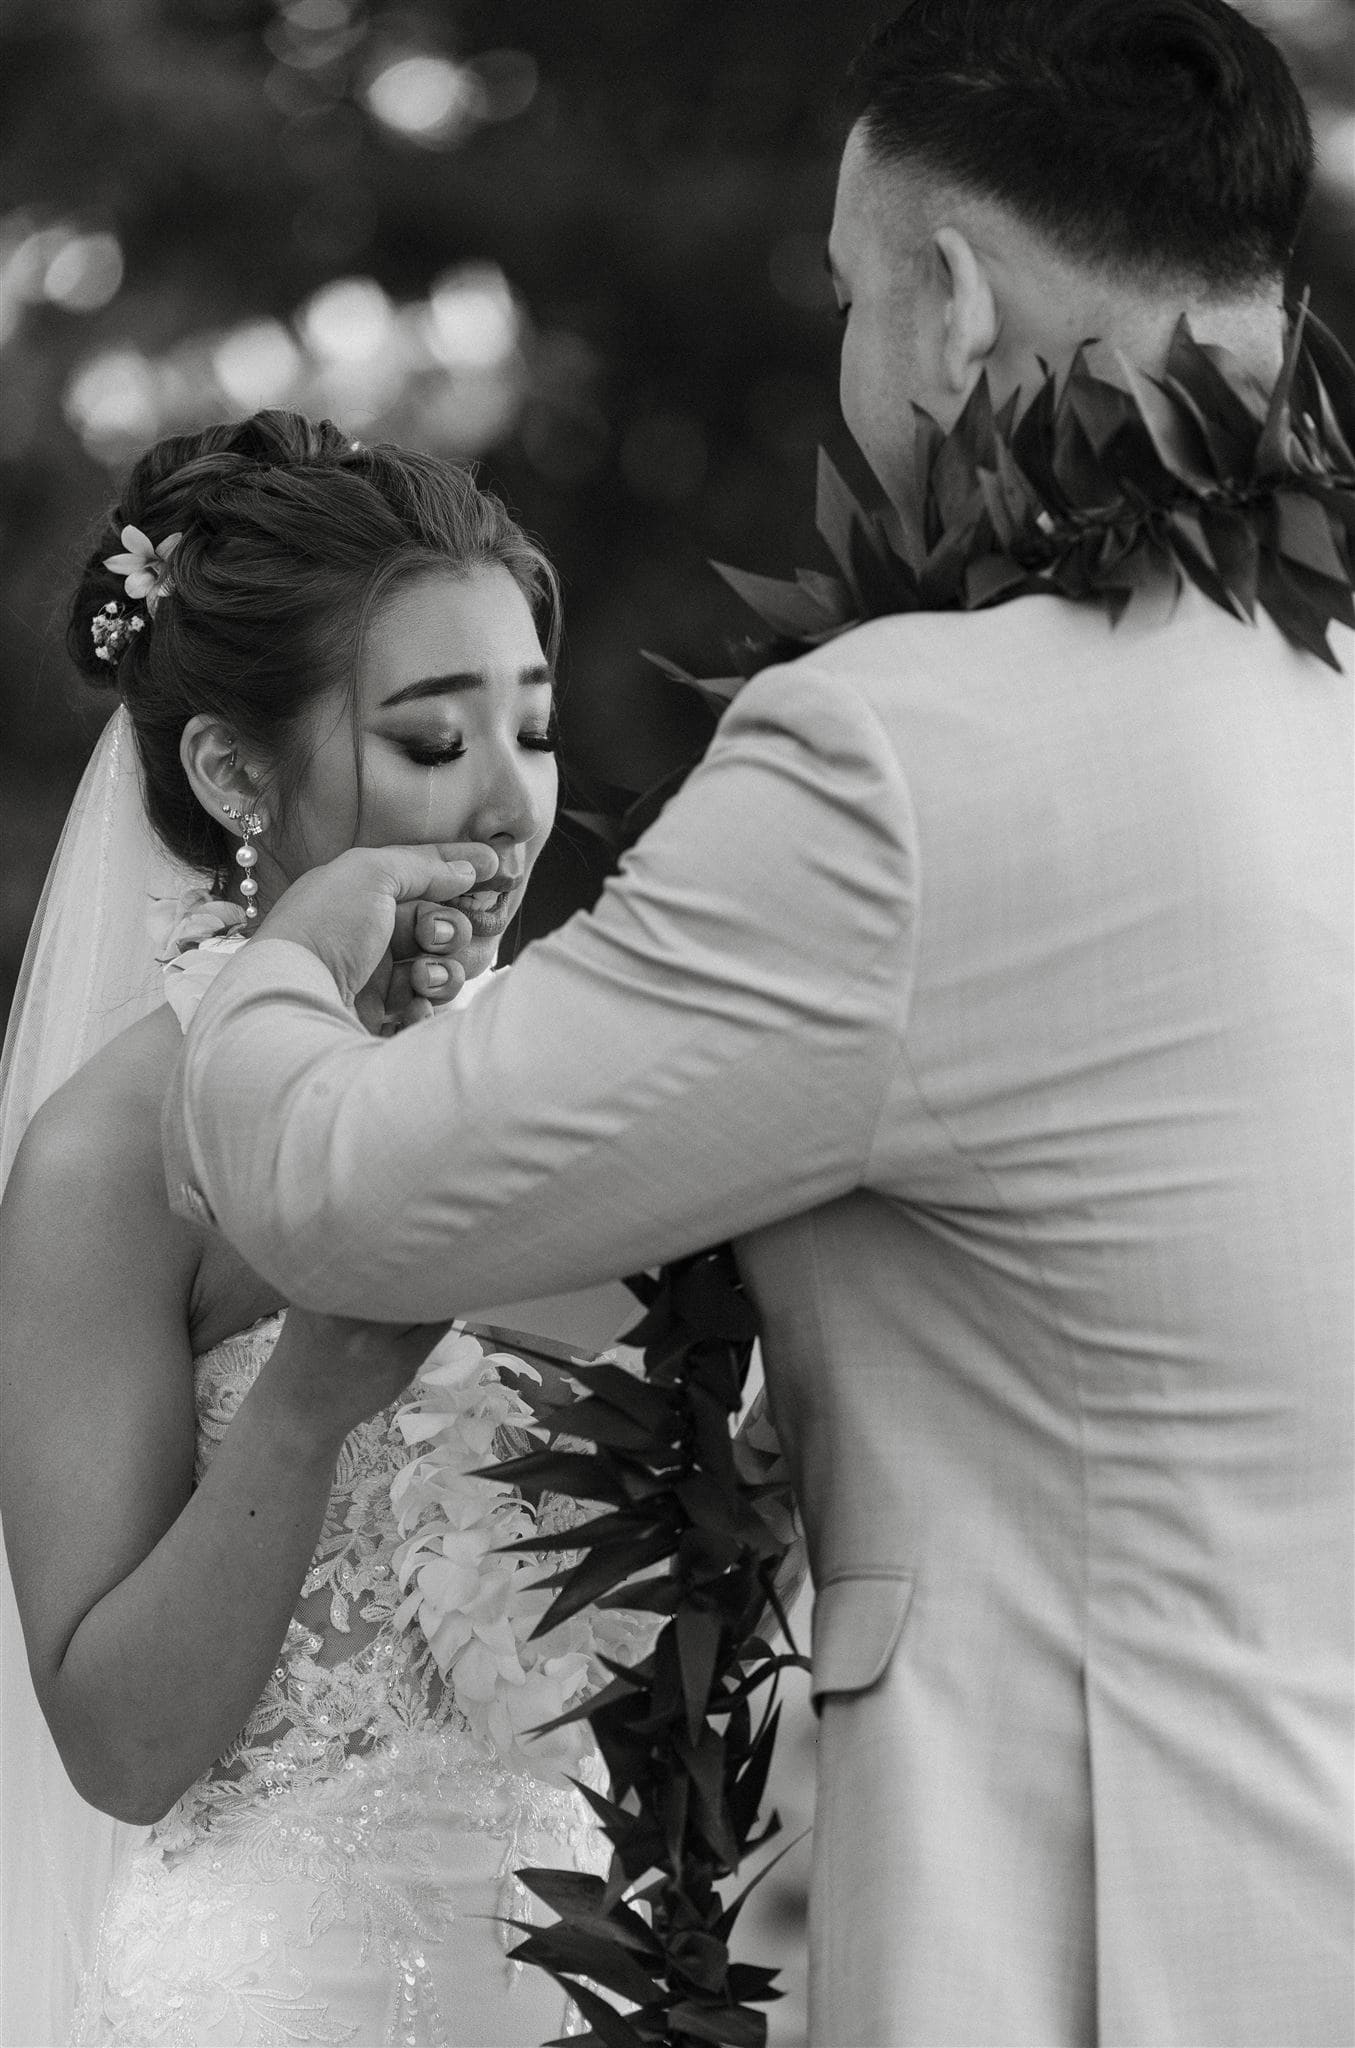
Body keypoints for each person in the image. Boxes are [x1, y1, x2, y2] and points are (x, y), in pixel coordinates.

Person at [165, 3, 1353, 2044]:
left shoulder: (906, 756)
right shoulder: (1326, 708)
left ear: (954, 302)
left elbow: (350, 1203)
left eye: (846, 294)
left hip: (1082, 1944)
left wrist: (276, 963)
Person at [0, 410, 641, 2047]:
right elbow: (121, 1749)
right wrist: (306, 1396)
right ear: (231, 771)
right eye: (433, 744)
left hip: (600, 1974)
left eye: (537, 732)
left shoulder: (603, 1083)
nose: (509, 808)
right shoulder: (108, 1157)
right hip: (276, 1996)